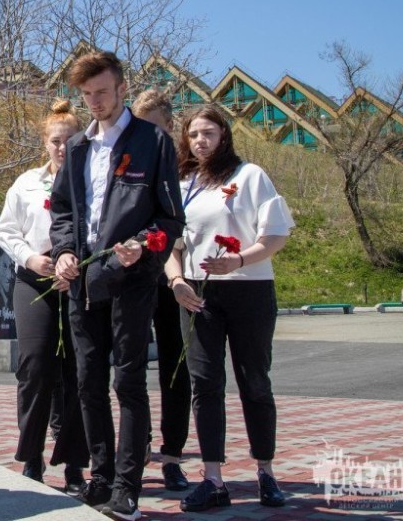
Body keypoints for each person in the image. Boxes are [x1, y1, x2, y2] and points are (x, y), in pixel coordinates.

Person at [50, 51, 185, 520]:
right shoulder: (78, 147)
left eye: (102, 93)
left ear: (122, 88)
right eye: (86, 95)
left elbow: (170, 219)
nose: (95, 103)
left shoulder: (153, 141)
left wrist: (144, 245)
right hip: (82, 279)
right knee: (87, 381)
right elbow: (63, 210)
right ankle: (100, 476)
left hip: (131, 279)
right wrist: (64, 251)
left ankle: (128, 487)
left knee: (127, 380)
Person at [164, 105, 294, 512]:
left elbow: (275, 234)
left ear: (224, 136)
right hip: (199, 295)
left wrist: (238, 261)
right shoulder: (182, 182)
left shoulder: (249, 176)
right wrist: (176, 280)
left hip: (248, 289)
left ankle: (266, 473)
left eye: (209, 133)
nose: (200, 141)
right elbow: (173, 244)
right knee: (205, 385)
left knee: (253, 380)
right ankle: (214, 479)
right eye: (193, 134)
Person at [0, 100, 89, 495]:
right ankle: (31, 457)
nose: (62, 147)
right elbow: (6, 230)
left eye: (70, 140)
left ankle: (73, 464)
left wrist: (77, 265)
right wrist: (31, 258)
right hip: (33, 280)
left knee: (77, 372)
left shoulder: (91, 181)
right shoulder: (26, 182)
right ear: (44, 143)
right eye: (55, 140)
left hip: (78, 281)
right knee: (35, 366)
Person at [130, 89, 191, 492]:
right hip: (137, 274)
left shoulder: (187, 173)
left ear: (169, 127)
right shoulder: (129, 165)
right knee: (130, 364)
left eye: (155, 128)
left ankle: (172, 455)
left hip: (177, 279)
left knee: (175, 364)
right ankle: (139, 443)